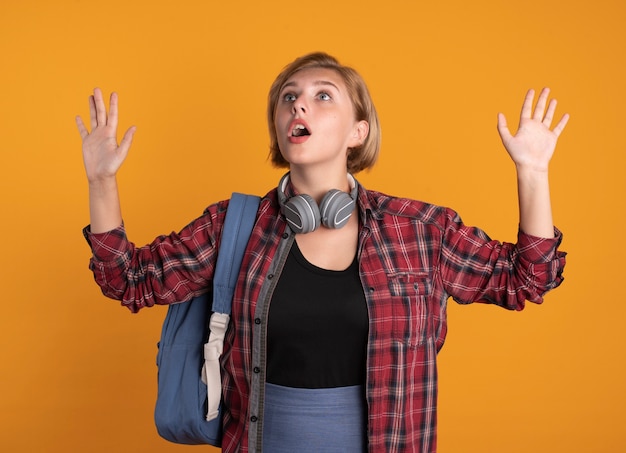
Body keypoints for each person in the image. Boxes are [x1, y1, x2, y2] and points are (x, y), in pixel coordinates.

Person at [76, 52, 568, 453]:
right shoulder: (234, 226)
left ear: (358, 132)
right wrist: (101, 182)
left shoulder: (419, 231)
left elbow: (527, 278)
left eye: (321, 96)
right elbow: (130, 279)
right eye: (289, 98)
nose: (299, 107)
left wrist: (533, 173)